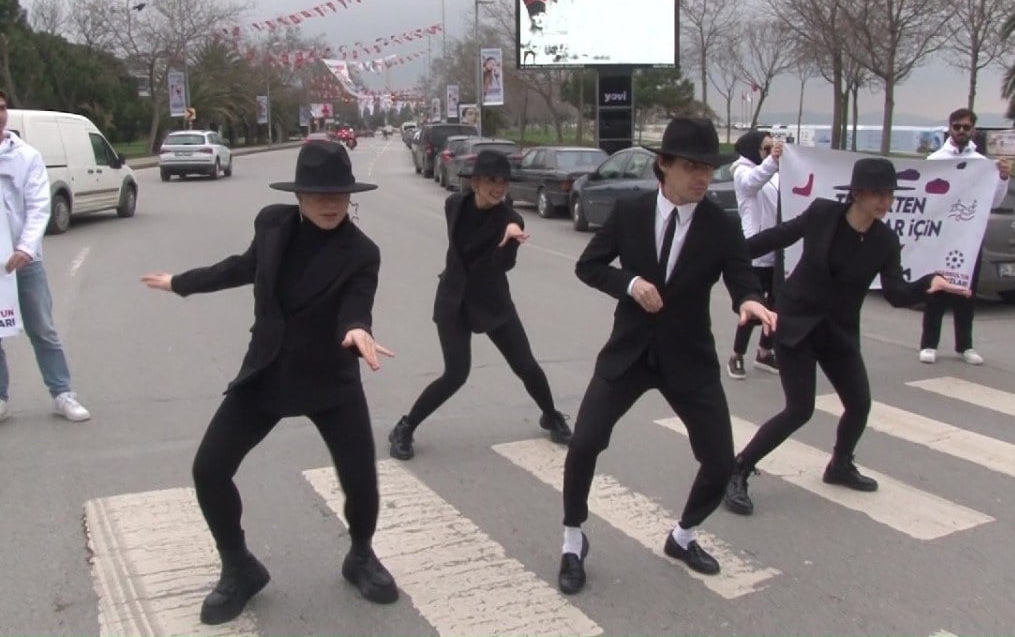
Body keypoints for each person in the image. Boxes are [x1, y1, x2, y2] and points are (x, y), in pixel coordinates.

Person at [139, 141, 399, 625]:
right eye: (318, 193)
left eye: (339, 194)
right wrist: (182, 282)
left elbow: (356, 303)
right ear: (298, 195)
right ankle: (239, 567)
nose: (329, 202)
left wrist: (359, 328)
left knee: (362, 482)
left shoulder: (362, 253)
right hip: (269, 371)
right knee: (209, 468)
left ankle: (360, 555)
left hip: (330, 379)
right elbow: (242, 267)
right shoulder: (273, 225)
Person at [557, 117, 776, 595]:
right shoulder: (630, 212)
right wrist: (630, 285)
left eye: (709, 168)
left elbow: (741, 277)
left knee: (720, 462)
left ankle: (683, 536)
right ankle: (573, 541)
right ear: (664, 166)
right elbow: (588, 266)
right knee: (584, 444)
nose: (703, 177)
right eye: (692, 167)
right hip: (629, 353)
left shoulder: (721, 225)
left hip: (688, 357)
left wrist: (748, 301)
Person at [723, 158, 972, 514]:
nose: (885, 202)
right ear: (856, 193)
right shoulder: (823, 214)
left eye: (889, 194)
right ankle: (739, 469)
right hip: (797, 323)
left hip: (838, 330)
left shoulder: (886, 240)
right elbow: (778, 237)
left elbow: (896, 293)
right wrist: (730, 255)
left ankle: (839, 465)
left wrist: (929, 284)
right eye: (877, 194)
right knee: (799, 409)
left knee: (859, 404)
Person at [388, 150, 572, 461]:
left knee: (526, 365)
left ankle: (551, 415)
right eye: (491, 181)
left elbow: (504, 263)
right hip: (454, 301)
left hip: (492, 301)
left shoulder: (509, 219)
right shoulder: (454, 205)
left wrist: (510, 239)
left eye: (503, 182)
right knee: (456, 374)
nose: (498, 187)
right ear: (475, 182)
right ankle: (404, 427)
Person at [0, 89, 90, 424]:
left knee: (42, 328)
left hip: (25, 262)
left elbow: (39, 205)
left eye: (2, 108)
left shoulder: (26, 156)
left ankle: (62, 393)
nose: (0, 114)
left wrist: (25, 248)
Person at [918, 108, 1010, 366]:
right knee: (936, 290)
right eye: (956, 126)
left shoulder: (982, 163)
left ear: (973, 130)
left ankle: (965, 345)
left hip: (969, 238)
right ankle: (929, 343)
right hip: (942, 237)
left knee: (965, 292)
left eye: (966, 127)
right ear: (950, 128)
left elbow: (994, 200)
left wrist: (1002, 177)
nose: (961, 131)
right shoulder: (935, 159)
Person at [726, 130, 783, 380]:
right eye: (765, 148)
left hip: (777, 250)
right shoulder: (742, 172)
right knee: (753, 307)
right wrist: (773, 160)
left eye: (772, 147)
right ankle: (737, 355)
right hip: (756, 251)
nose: (769, 152)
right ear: (753, 149)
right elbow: (753, 181)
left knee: (775, 307)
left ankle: (765, 351)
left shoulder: (773, 173)